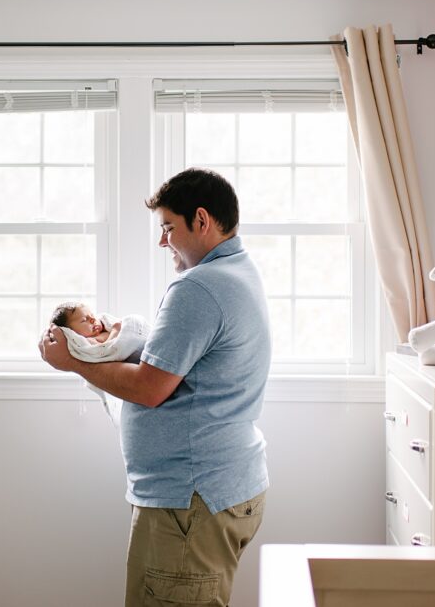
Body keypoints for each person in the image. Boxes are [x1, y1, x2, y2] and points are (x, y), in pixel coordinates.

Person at [37, 167, 270, 607]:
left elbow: (149, 388)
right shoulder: (240, 270)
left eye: (168, 227)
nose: (163, 242)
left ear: (201, 220)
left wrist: (73, 362)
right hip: (218, 488)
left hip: (190, 500)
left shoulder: (199, 287)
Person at [50, 302, 121, 345]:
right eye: (84, 320)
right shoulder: (90, 341)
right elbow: (106, 349)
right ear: (70, 332)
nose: (93, 319)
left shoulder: (104, 326)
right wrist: (115, 330)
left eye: (92, 315)